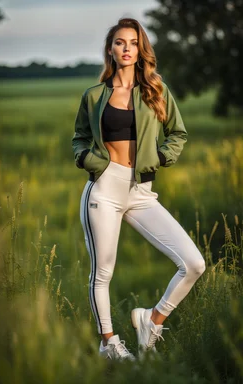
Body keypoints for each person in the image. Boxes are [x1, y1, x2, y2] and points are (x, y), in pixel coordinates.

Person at [72, 17, 206, 361]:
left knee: (193, 263)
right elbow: (79, 140)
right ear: (111, 50)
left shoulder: (155, 90)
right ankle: (109, 344)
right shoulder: (94, 96)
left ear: (140, 49)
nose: (126, 48)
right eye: (120, 42)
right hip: (104, 189)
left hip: (141, 190)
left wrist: (160, 157)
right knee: (102, 272)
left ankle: (152, 320)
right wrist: (92, 162)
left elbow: (178, 133)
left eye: (133, 42)